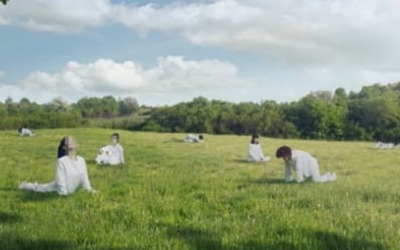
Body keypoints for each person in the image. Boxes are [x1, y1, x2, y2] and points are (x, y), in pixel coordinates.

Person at [19, 136, 96, 195]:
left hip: (72, 189)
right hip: (56, 188)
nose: (72, 142)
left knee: (42, 186)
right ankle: (26, 185)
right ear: (64, 147)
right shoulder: (61, 161)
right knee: (40, 188)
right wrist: (64, 194)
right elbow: (60, 181)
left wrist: (89, 190)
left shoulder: (81, 160)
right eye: (69, 141)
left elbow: (85, 178)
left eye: (73, 140)